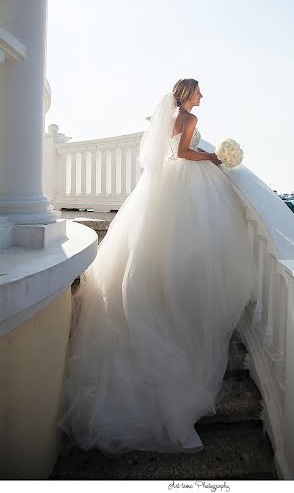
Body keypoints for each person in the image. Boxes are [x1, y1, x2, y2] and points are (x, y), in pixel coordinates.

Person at [57, 78, 258, 455]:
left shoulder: (170, 117)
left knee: (155, 247)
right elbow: (183, 152)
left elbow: (168, 151)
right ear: (188, 94)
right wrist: (213, 158)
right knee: (190, 242)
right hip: (184, 178)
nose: (203, 97)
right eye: (200, 92)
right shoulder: (189, 119)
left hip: (164, 182)